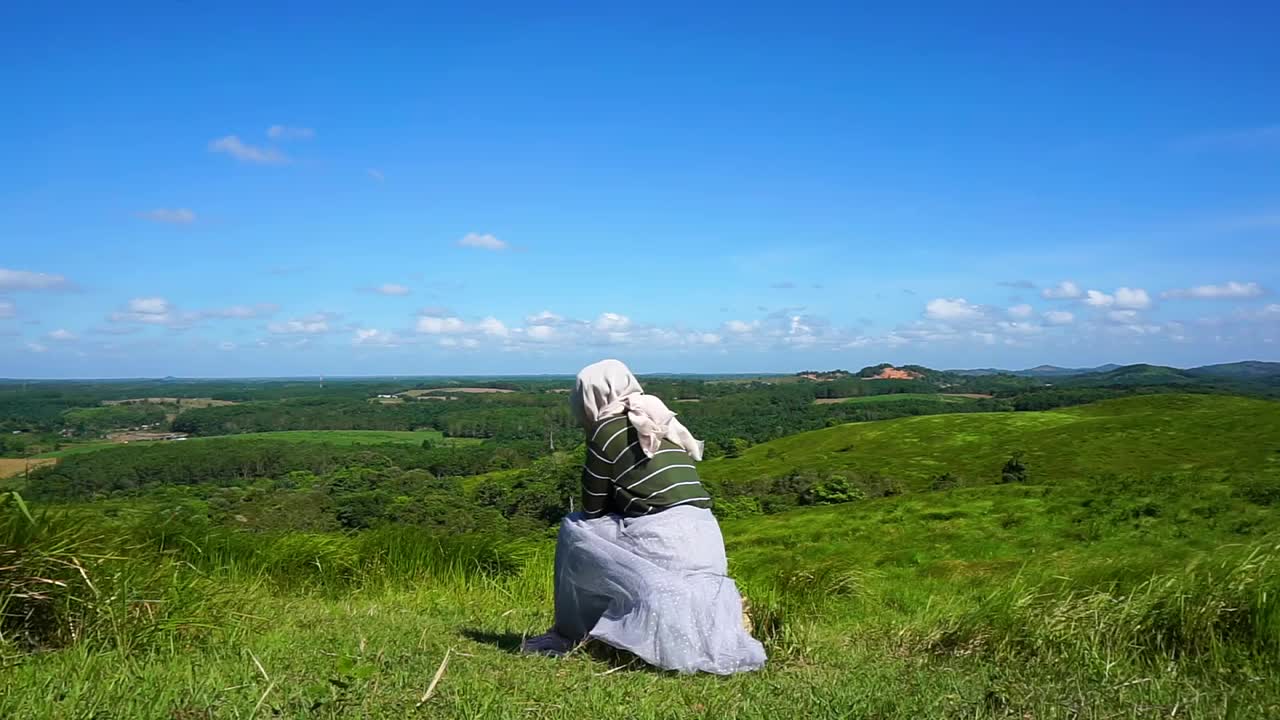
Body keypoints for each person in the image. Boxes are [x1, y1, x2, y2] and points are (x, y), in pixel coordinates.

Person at [520, 359, 766, 675]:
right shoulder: (658, 420)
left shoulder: (605, 431)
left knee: (575, 530)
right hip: (705, 534)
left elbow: (593, 508)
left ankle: (574, 632)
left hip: (662, 537)